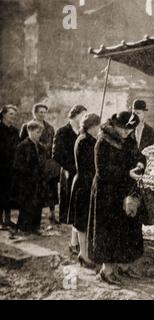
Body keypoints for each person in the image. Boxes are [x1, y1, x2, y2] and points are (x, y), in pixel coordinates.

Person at [88, 111, 146, 285]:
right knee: (109, 232)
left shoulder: (128, 139)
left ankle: (124, 266)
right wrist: (126, 173)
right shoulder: (103, 142)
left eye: (130, 130)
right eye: (125, 130)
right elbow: (102, 172)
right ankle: (107, 271)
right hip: (106, 193)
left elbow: (138, 155)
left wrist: (140, 164)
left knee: (127, 228)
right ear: (116, 125)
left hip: (124, 191)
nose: (127, 133)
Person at [53, 104, 87, 253]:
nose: (84, 118)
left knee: (79, 208)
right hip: (69, 174)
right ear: (74, 115)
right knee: (73, 209)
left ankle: (76, 242)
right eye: (82, 115)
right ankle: (73, 242)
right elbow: (57, 155)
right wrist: (73, 168)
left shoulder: (82, 132)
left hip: (81, 175)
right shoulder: (62, 132)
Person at [68, 113, 101, 269]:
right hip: (84, 185)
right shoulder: (85, 142)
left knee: (85, 220)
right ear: (91, 126)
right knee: (82, 222)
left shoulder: (86, 139)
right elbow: (90, 165)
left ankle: (85, 253)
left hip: (84, 183)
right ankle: (83, 254)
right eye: (97, 127)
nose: (99, 130)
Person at [20, 104, 59, 224]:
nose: (42, 114)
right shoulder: (28, 126)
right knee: (35, 189)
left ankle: (52, 215)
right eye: (40, 112)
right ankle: (33, 216)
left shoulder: (50, 127)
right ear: (34, 113)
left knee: (51, 187)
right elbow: (23, 143)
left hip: (47, 161)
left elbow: (53, 143)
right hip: (33, 162)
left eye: (44, 112)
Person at [13, 121, 46, 234]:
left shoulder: (41, 147)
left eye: (40, 133)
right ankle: (24, 227)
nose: (39, 135)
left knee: (38, 203)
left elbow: (43, 163)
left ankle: (35, 227)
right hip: (26, 181)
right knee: (27, 204)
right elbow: (18, 165)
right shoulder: (22, 146)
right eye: (37, 132)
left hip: (38, 180)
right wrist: (28, 174)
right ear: (30, 131)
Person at [0, 105, 20, 229]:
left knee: (8, 193)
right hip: (0, 166)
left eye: (14, 114)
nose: (13, 117)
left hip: (10, 166)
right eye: (11, 114)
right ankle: (0, 221)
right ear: (3, 115)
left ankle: (7, 219)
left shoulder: (14, 131)